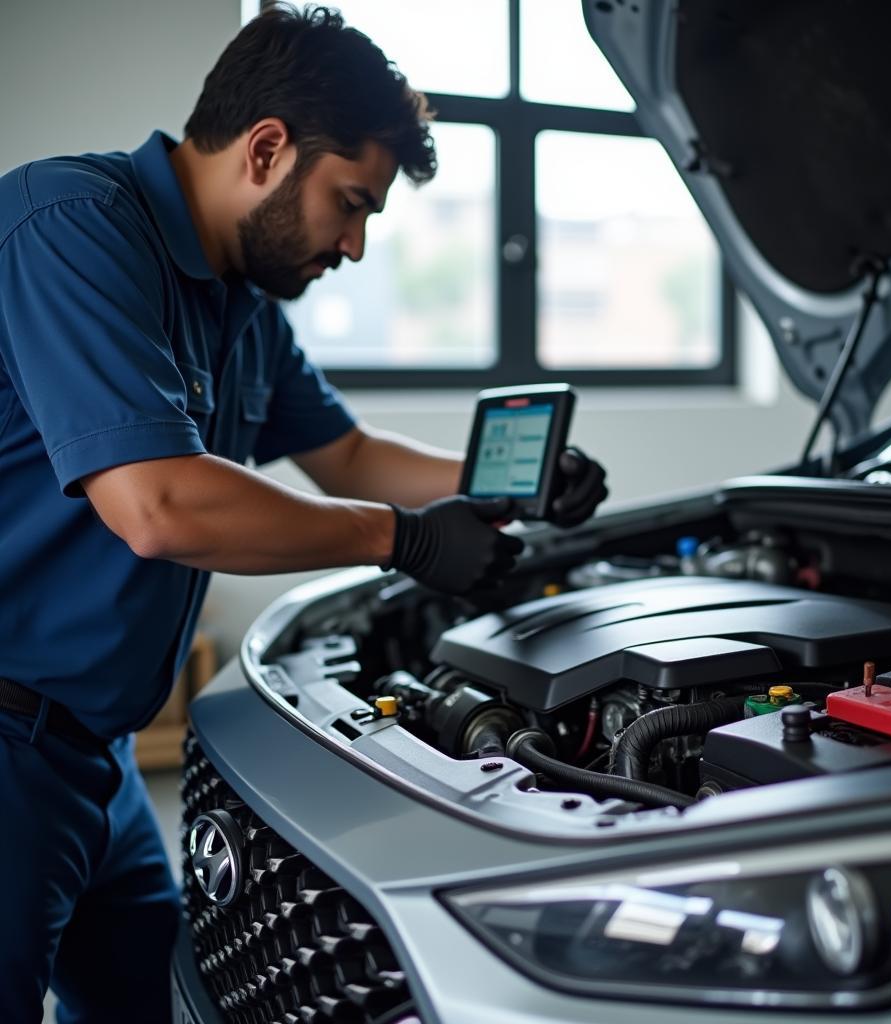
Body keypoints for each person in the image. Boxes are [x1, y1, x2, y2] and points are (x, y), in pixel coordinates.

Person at [0, 5, 607, 1021]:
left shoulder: (243, 307)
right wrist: (404, 540)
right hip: (10, 742)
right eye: (351, 202)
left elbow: (349, 456)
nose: (358, 245)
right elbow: (156, 504)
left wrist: (504, 484)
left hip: (96, 756)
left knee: (155, 1000)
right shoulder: (72, 227)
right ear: (269, 148)